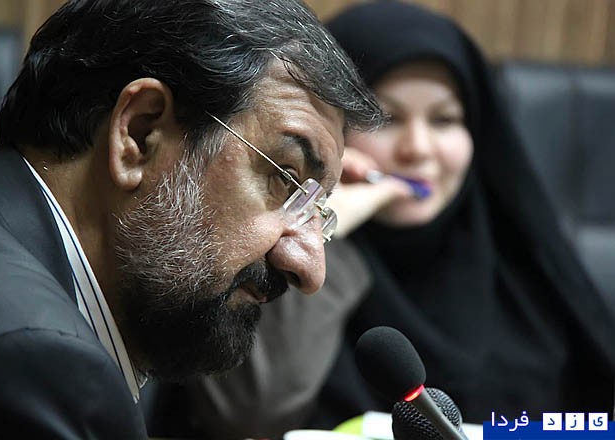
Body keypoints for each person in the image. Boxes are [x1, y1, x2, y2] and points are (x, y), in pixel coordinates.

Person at [183, 1, 615, 437]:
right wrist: (321, 221)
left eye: (444, 120)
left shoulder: (523, 268)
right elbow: (248, 412)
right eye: (386, 119)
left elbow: (590, 421)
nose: (419, 149)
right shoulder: (277, 255)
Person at [0, 0, 385, 438]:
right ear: (140, 134)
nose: (311, 270)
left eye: (316, 209)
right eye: (285, 180)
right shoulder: (35, 364)